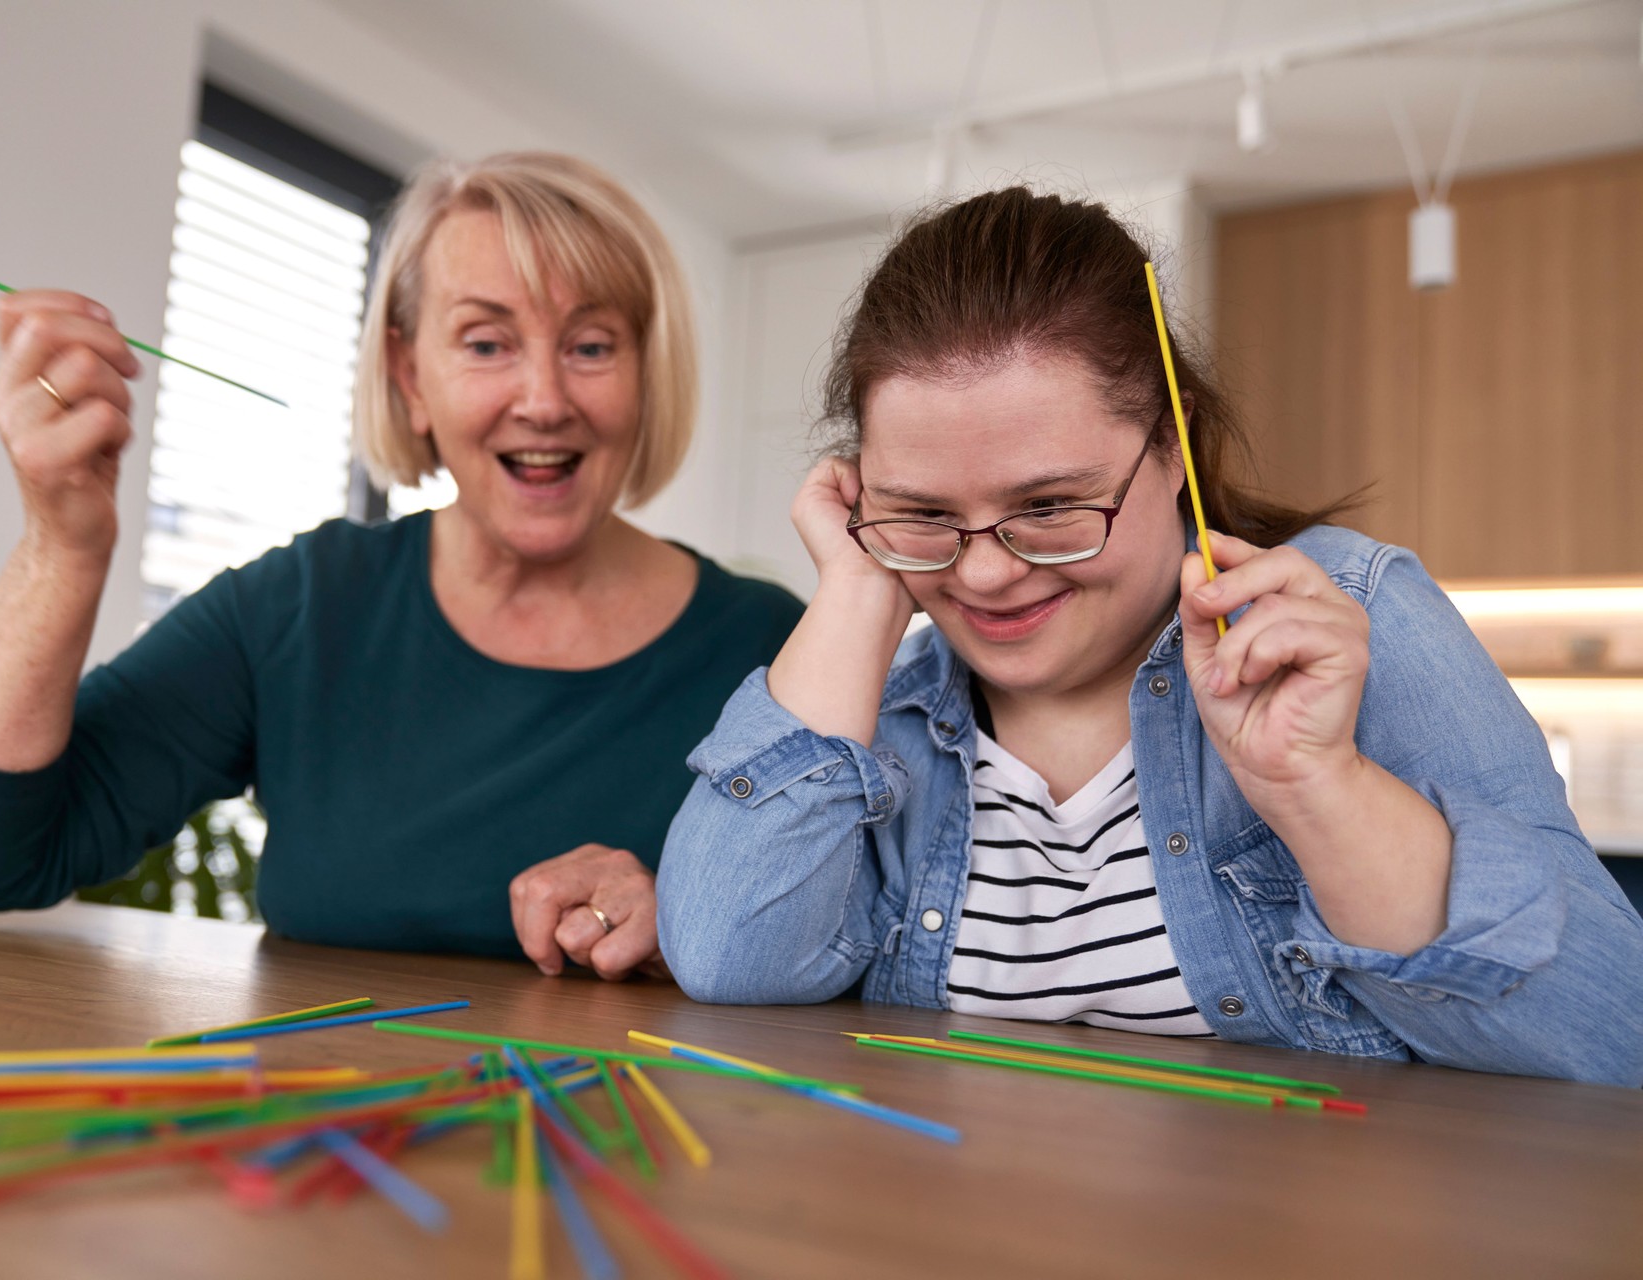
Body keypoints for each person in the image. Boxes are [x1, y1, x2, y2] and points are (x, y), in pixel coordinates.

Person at [655, 187, 1643, 1084]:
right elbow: (727, 958)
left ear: (1172, 446)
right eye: (922, 511)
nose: (985, 571)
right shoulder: (881, 702)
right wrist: (860, 594)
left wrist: (1322, 790)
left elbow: (1610, 1039)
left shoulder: (1347, 613)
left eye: (1048, 504)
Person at [0, 152, 802, 979]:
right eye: (486, 344)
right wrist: (61, 546)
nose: (543, 400)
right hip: (323, 1136)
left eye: (591, 346)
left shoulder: (771, 651)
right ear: (411, 378)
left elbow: (886, 952)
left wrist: (692, 916)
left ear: (646, 372)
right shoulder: (301, 607)